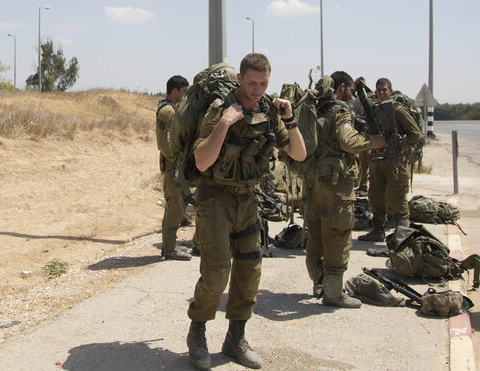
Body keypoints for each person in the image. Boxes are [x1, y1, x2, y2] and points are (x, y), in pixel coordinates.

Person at [185, 53, 306, 369]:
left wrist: (290, 119)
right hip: (214, 199)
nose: (257, 89)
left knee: (250, 269)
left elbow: (299, 153)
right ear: (240, 79)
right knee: (215, 271)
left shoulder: (268, 110)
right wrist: (225, 122)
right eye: (252, 83)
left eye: (263, 83)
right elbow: (201, 161)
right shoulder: (219, 109)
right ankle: (197, 333)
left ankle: (235, 337)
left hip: (248, 199)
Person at [303, 71, 386, 308]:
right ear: (341, 87)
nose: (351, 95)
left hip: (313, 181)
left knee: (316, 233)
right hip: (336, 183)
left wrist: (361, 88)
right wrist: (374, 142)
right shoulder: (340, 111)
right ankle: (333, 294)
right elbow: (348, 141)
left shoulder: (317, 108)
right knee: (338, 235)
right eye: (350, 90)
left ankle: (319, 283)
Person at [358, 78, 423, 241]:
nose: (381, 93)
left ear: (390, 91)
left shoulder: (397, 110)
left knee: (397, 199)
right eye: (378, 89)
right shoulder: (374, 110)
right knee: (375, 197)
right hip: (378, 161)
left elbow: (415, 134)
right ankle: (378, 230)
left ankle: (403, 239)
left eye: (384, 90)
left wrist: (398, 147)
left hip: (396, 162)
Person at [156, 75, 195, 261]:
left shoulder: (171, 109)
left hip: (175, 167)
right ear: (175, 91)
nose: (185, 95)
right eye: (184, 92)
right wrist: (179, 160)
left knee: (176, 207)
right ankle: (170, 249)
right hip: (173, 169)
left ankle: (169, 246)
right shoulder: (168, 112)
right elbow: (165, 144)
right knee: (175, 208)